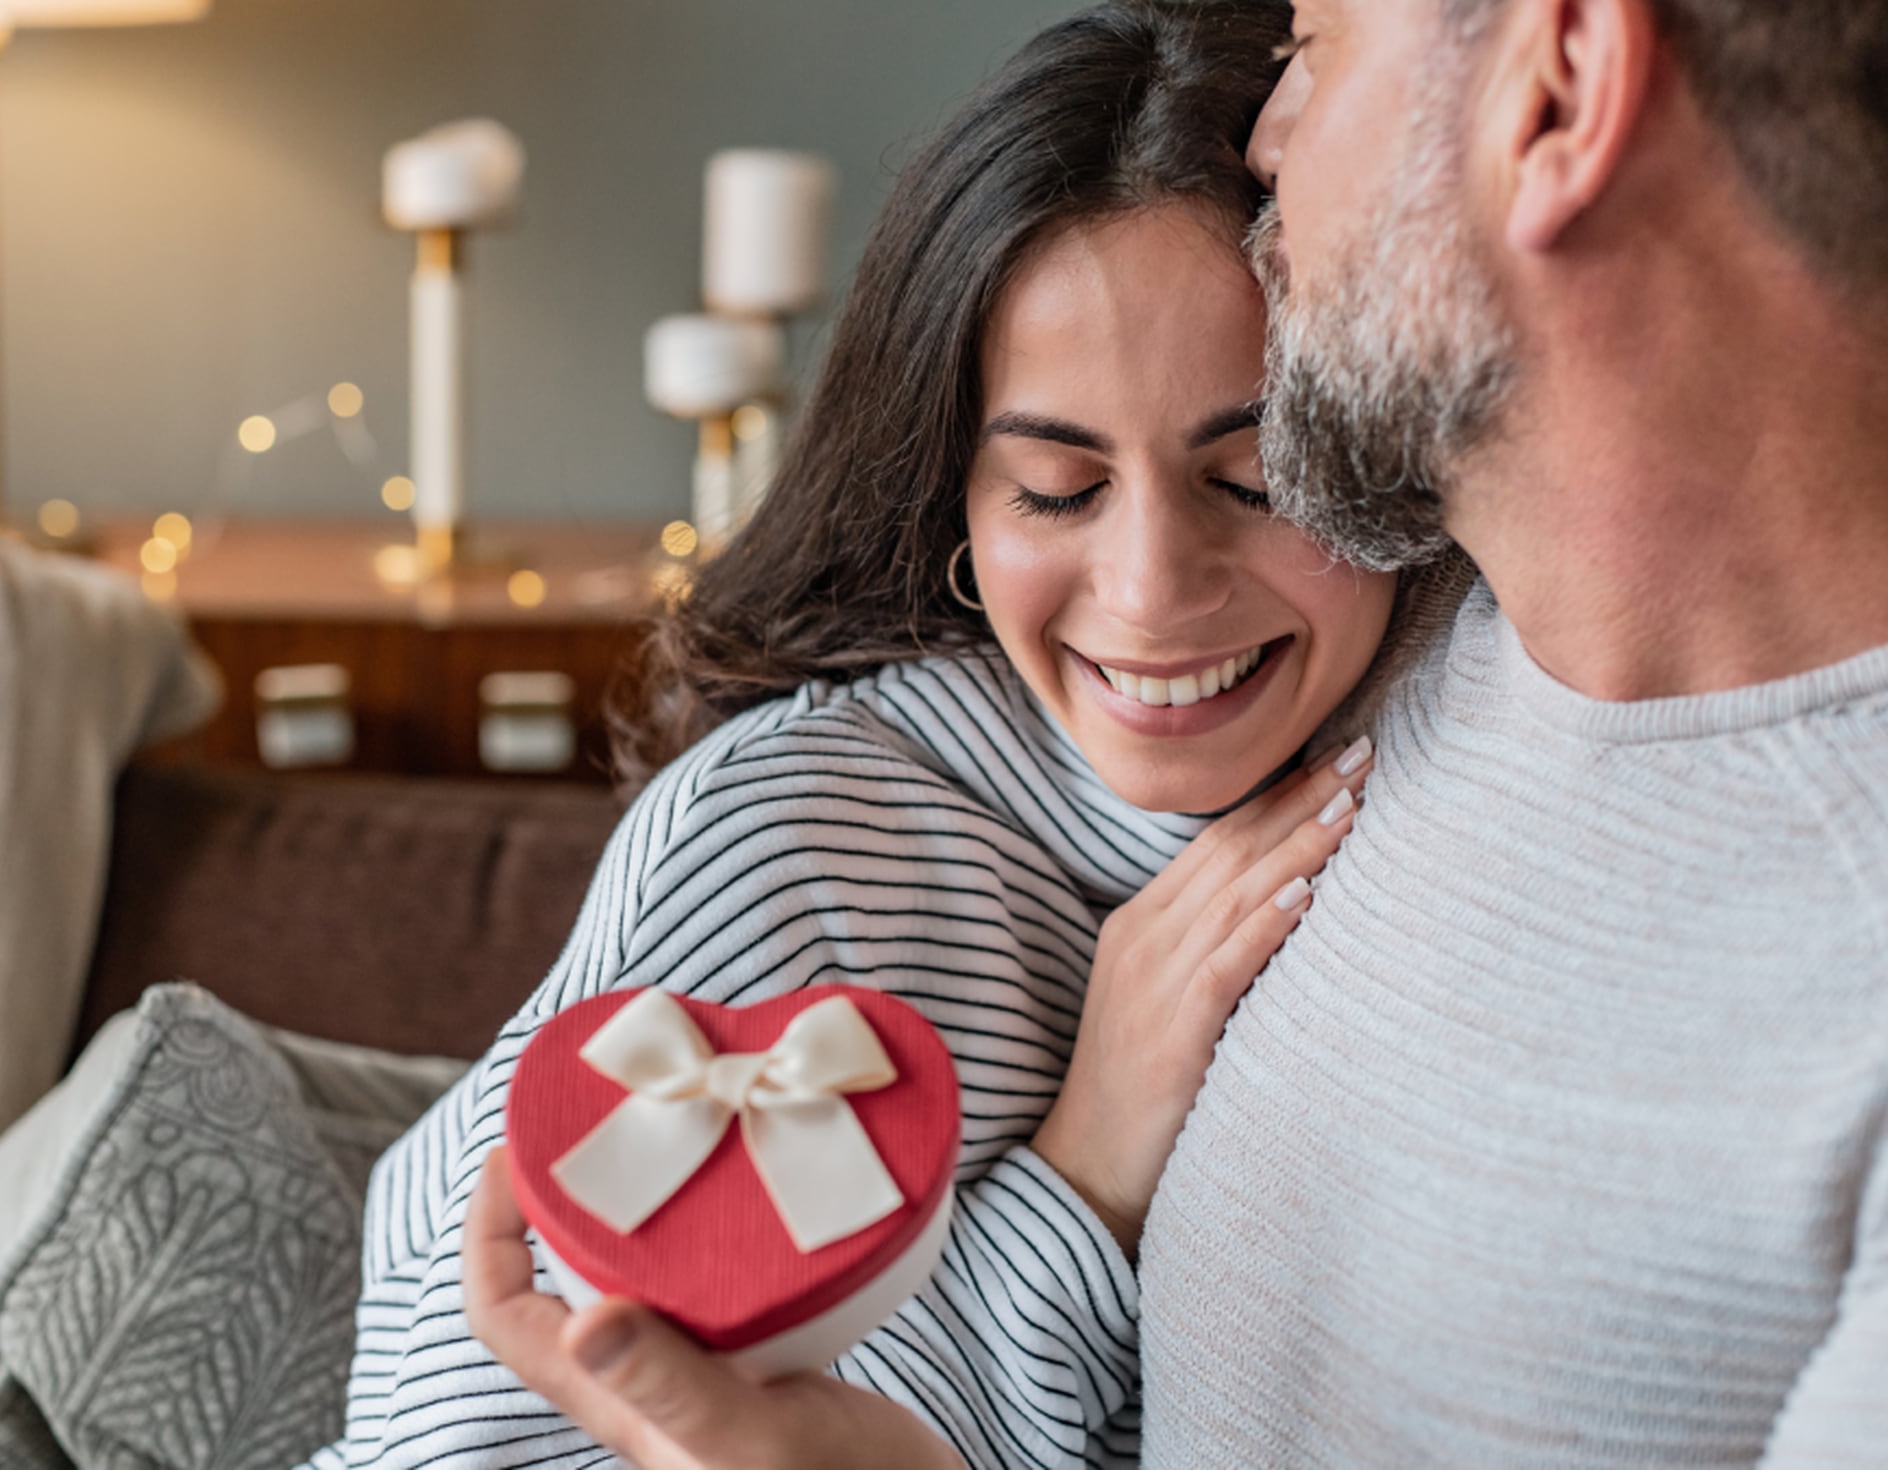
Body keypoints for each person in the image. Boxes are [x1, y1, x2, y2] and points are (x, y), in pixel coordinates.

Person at [462, 0, 1888, 1465]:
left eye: (1325, 38)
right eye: (1057, 488)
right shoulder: (1402, 654)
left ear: (1565, 77)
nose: (1268, 129)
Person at [308, 4, 1419, 1467]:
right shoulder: (787, 849)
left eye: (1256, 472)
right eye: (1055, 488)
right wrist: (1081, 1173)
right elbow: (463, 1432)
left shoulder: (1439, 740)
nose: (1153, 592)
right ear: (956, 506)